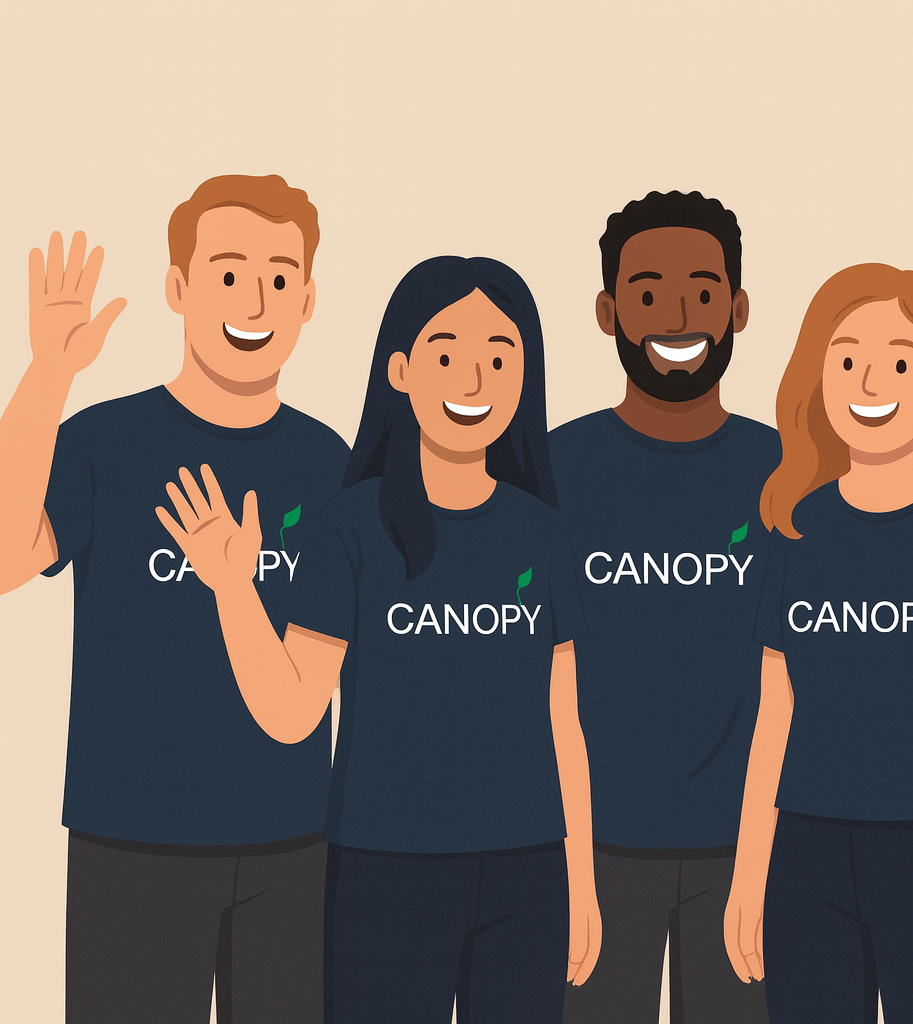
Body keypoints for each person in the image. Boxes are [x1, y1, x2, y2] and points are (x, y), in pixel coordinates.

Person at [154, 256, 601, 1024]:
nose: (474, 381)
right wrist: (233, 589)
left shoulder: (543, 535)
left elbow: (565, 723)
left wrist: (583, 882)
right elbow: (293, 710)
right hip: (383, 870)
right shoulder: (351, 529)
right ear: (399, 369)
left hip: (528, 871)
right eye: (448, 355)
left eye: (500, 358)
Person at [0, 175, 347, 1023]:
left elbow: (306, 696)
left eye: (278, 277)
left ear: (307, 301)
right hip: (131, 842)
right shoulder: (104, 441)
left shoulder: (329, 463)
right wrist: (48, 374)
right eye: (228, 274)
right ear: (179, 290)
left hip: (294, 847)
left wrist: (236, 586)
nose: (254, 300)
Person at [725, 263, 913, 1022]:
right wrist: (751, 874)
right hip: (809, 851)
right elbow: (774, 714)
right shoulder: (795, 530)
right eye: (846, 360)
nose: (870, 382)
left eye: (899, 362)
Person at [551, 191, 777, 1024]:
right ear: (609, 312)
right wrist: (569, 864)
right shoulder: (550, 469)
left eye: (703, 290)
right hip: (588, 848)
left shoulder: (787, 472)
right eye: (647, 292)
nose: (677, 313)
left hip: (754, 850)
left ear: (737, 308)